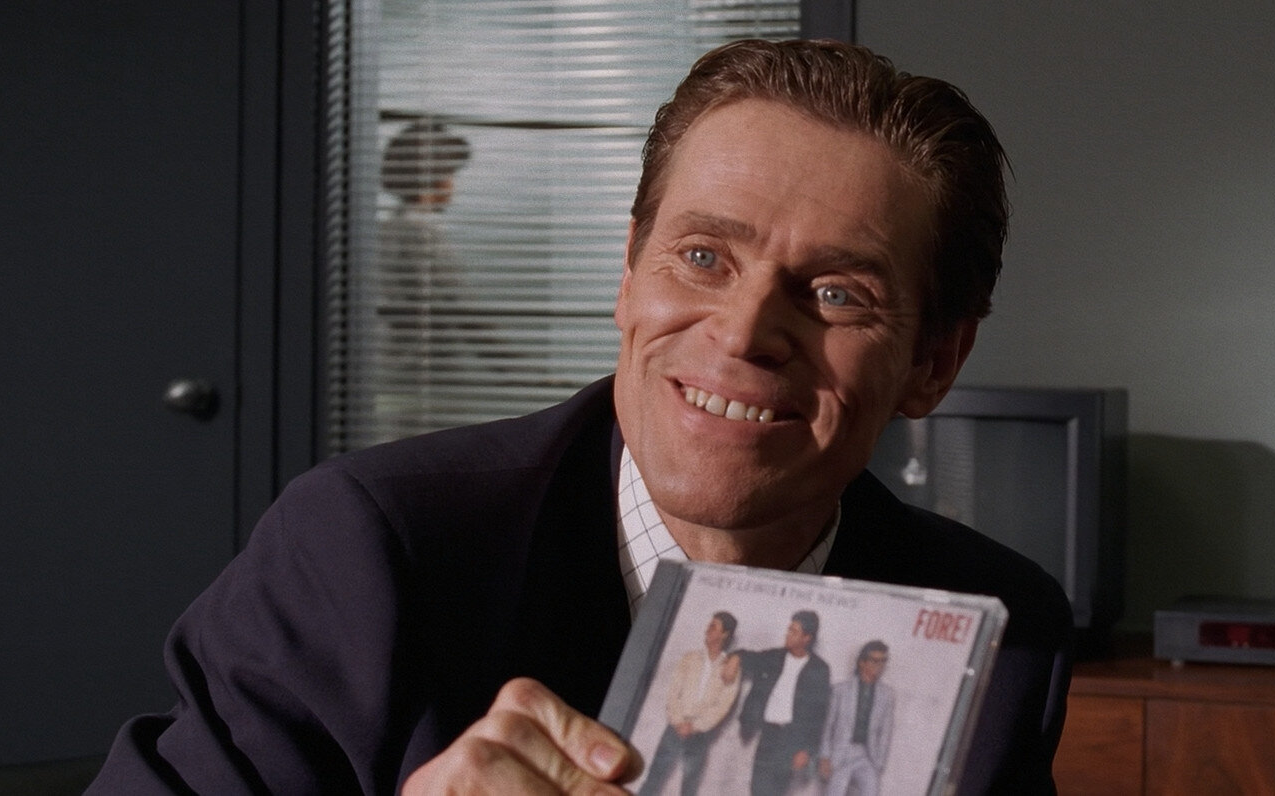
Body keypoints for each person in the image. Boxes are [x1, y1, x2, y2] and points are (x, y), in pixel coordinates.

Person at [89, 38, 1073, 794]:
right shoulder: (367, 552)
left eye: (836, 294)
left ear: (933, 363)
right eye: (703, 258)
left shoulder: (998, 628)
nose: (742, 333)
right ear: (628, 275)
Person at [372, 120, 474, 443]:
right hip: (421, 381)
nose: (452, 184)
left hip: (404, 377)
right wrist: (516, 370)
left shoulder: (392, 229)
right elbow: (461, 312)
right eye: (450, 173)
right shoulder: (419, 233)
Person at [637, 612, 741, 796]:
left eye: (713, 626)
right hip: (675, 727)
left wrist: (695, 726)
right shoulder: (689, 658)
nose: (707, 629)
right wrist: (679, 722)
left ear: (725, 634)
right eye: (709, 625)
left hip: (700, 734)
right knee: (654, 779)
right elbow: (673, 693)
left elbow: (723, 706)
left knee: (689, 787)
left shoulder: (731, 668)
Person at [734, 611, 831, 796]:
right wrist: (735, 658)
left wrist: (806, 750)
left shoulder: (819, 669)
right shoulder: (774, 657)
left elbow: (818, 715)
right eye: (789, 629)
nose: (787, 634)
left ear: (807, 638)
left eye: (794, 631)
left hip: (791, 739)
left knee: (777, 790)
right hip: (768, 734)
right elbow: (747, 656)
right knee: (756, 789)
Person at [819, 641, 896, 796]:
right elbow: (828, 725)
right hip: (842, 752)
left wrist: (880, 763)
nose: (879, 666)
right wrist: (825, 756)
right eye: (875, 661)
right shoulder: (840, 690)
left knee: (871, 791)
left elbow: (886, 732)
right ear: (862, 662)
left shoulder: (887, 695)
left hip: (868, 755)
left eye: (883, 661)